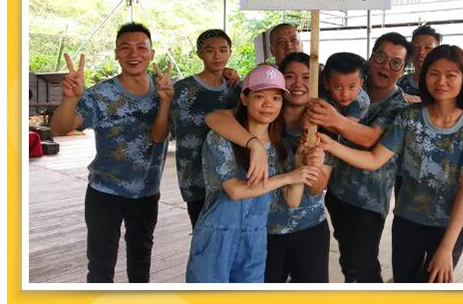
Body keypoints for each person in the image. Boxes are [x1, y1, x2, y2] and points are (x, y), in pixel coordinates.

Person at [310, 45, 463, 283]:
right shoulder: (410, 116)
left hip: (447, 226)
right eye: (434, 73)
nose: (441, 81)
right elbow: (374, 159)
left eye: (451, 75)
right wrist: (330, 145)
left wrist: (447, 247)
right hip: (407, 222)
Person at [50, 22, 173, 283]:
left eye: (141, 47)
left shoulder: (164, 91)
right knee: (100, 266)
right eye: (125, 47)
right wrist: (71, 98)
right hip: (104, 192)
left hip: (146, 192)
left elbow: (158, 135)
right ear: (116, 53)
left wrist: (165, 102)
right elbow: (59, 128)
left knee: (141, 262)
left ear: (152, 53)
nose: (134, 53)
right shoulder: (100, 95)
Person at [185, 64, 320, 283]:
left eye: (276, 98)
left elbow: (293, 200)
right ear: (244, 98)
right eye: (259, 96)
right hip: (217, 235)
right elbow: (234, 191)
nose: (268, 104)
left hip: (256, 238)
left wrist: (298, 165)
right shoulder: (221, 139)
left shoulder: (281, 146)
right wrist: (288, 177)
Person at [305, 32, 411, 283]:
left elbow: (371, 138)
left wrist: (334, 120)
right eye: (381, 57)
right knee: (349, 261)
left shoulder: (399, 106)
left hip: (368, 201)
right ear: (370, 58)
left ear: (404, 70)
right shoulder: (346, 84)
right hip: (336, 192)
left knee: (363, 267)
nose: (386, 66)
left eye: (396, 62)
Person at [170, 29, 240, 228]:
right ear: (199, 53)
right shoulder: (182, 89)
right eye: (210, 50)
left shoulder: (235, 89)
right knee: (202, 233)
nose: (217, 56)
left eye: (223, 50)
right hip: (194, 177)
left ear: (230, 52)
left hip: (228, 178)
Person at [321, 52, 370, 126]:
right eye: (338, 87)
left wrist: (316, 120)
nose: (345, 94)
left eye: (351, 87)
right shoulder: (320, 92)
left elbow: (344, 127)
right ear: (326, 83)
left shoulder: (361, 102)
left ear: (361, 84)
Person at [398, 24, 442, 102]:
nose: (421, 52)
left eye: (427, 48)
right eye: (416, 47)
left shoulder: (442, 85)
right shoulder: (400, 83)